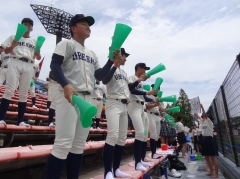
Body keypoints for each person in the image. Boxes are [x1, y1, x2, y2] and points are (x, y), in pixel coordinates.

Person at [45, 14, 118, 179]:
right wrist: (65, 84)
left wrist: (110, 60)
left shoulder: (91, 53)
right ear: (73, 28)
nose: (88, 27)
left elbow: (100, 75)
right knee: (63, 144)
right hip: (70, 96)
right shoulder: (67, 43)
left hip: (87, 98)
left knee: (78, 145)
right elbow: (54, 64)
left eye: (89, 25)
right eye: (84, 24)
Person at [102, 49, 148, 179]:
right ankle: (107, 172)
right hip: (112, 103)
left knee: (122, 138)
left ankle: (116, 169)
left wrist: (139, 80)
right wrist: (114, 65)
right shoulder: (111, 68)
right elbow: (104, 80)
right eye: (124, 56)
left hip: (123, 105)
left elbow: (130, 88)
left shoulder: (124, 72)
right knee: (112, 136)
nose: (126, 59)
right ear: (117, 56)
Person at [0, 18, 41, 126]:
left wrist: (37, 53)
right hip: (15, 61)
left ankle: (20, 121)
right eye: (24, 24)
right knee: (9, 89)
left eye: (29, 25)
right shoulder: (14, 37)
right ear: (21, 26)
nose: (27, 27)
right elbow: (6, 51)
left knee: (24, 92)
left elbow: (38, 57)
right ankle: (1, 118)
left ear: (31, 28)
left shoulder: (35, 41)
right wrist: (13, 45)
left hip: (29, 64)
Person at [128, 63, 157, 172]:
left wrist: (152, 99)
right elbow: (131, 89)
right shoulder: (131, 77)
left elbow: (143, 96)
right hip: (134, 105)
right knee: (140, 132)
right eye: (144, 69)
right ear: (139, 68)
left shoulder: (141, 81)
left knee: (144, 134)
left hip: (141, 106)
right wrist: (145, 89)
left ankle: (140, 159)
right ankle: (137, 162)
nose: (145, 71)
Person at [196, 104, 218, 178]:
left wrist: (202, 107)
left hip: (209, 139)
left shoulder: (209, 122)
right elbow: (197, 118)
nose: (202, 117)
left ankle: (216, 174)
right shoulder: (203, 123)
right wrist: (194, 111)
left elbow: (205, 115)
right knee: (206, 157)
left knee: (212, 157)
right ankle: (211, 171)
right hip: (204, 139)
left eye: (203, 116)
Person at [146, 84, 161, 159]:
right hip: (150, 115)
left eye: (158, 89)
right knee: (153, 134)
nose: (156, 90)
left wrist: (164, 111)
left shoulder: (159, 98)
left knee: (157, 136)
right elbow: (146, 107)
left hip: (158, 116)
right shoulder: (148, 96)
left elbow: (160, 109)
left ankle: (155, 152)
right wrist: (155, 105)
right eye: (155, 89)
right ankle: (153, 153)